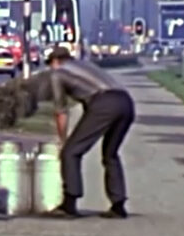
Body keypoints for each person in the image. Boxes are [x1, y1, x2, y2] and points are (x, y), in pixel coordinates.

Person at [44, 46, 135, 219]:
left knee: (70, 152)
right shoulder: (85, 65)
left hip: (104, 104)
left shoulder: (58, 73)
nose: (50, 68)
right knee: (110, 154)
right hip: (126, 102)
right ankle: (118, 205)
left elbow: (61, 111)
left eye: (50, 64)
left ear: (55, 61)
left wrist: (63, 140)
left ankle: (69, 204)